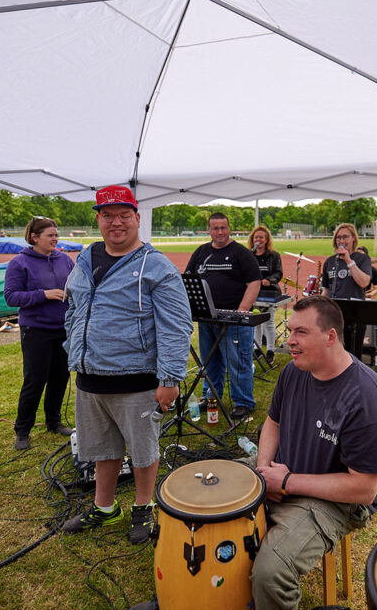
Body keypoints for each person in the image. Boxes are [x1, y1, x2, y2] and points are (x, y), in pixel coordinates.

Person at [127, 296, 377, 610]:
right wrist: (263, 471)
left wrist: (287, 483)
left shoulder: (366, 396)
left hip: (335, 501)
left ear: (331, 336)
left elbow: (365, 488)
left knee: (271, 572)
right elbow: (273, 422)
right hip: (280, 471)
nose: (290, 340)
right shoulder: (294, 370)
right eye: (290, 330)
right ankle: (179, 601)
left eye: (301, 332)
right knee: (195, 507)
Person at [61, 186, 192, 544]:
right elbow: (73, 306)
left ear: (137, 218)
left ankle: (143, 506)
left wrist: (170, 378)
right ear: (98, 219)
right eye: (107, 215)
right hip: (90, 377)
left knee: (143, 450)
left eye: (123, 215)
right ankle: (104, 508)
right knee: (102, 448)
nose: (115, 222)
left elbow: (176, 326)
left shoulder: (157, 267)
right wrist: (72, 347)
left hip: (137, 380)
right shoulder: (86, 258)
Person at [3, 217, 76, 450]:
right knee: (35, 380)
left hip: (63, 329)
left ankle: (53, 422)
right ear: (35, 237)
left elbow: (76, 286)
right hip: (35, 331)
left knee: (60, 378)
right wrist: (43, 295)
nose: (55, 239)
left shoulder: (65, 259)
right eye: (50, 235)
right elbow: (11, 297)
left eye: (56, 235)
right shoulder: (19, 263)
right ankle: (22, 431)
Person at [184, 212, 261, 421]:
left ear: (229, 229)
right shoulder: (201, 252)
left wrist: (242, 310)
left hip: (233, 319)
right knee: (210, 362)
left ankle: (243, 401)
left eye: (223, 228)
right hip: (208, 318)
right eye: (215, 228)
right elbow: (188, 278)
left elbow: (254, 282)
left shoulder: (241, 253)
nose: (220, 232)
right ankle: (211, 397)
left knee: (238, 362)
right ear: (209, 230)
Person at [320, 223, 372, 358]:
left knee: (353, 355)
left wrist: (349, 261)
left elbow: (364, 282)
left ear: (353, 238)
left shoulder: (362, 259)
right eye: (338, 238)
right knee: (333, 354)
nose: (341, 241)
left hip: (355, 316)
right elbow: (325, 289)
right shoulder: (330, 262)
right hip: (334, 315)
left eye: (345, 237)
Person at [248, 225, 282, 364]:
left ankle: (270, 350)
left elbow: (278, 273)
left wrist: (269, 280)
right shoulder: (250, 255)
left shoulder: (274, 255)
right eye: (256, 237)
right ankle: (257, 349)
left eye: (261, 237)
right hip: (253, 292)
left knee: (269, 322)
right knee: (256, 321)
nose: (258, 239)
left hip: (269, 292)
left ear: (267, 239)